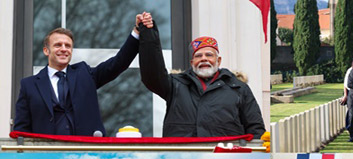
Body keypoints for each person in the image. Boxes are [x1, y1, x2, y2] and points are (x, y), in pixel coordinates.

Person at [137, 12, 265, 138]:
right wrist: (148, 33)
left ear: (218, 60)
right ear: (192, 63)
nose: (204, 59)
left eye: (209, 55)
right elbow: (152, 74)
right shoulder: (175, 85)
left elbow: (255, 128)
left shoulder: (239, 88)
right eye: (198, 56)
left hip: (226, 156)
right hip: (182, 156)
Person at [13, 16, 141, 136]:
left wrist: (136, 32)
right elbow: (21, 130)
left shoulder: (85, 74)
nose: (64, 49)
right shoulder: (29, 85)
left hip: (85, 153)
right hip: (47, 155)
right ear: (46, 50)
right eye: (58, 45)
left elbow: (117, 63)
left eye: (68, 46)